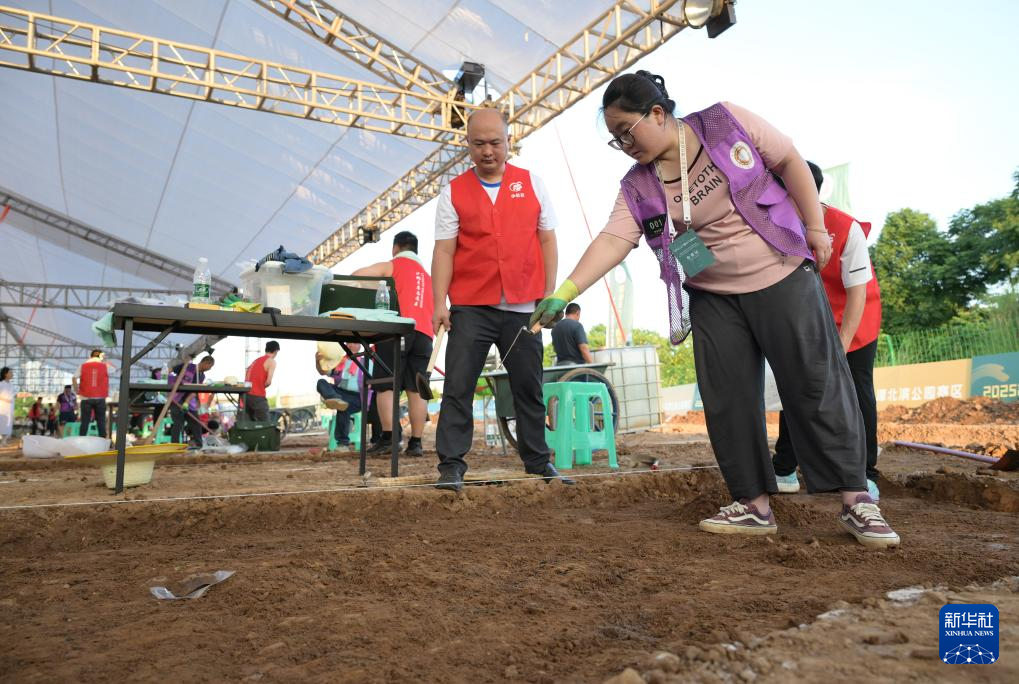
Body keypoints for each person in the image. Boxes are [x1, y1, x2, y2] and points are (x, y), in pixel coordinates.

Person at [532, 71, 898, 548]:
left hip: (781, 273)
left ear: (657, 114)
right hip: (712, 294)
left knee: (816, 382)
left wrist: (814, 226)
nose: (625, 146)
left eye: (627, 132)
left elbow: (789, 160)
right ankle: (753, 504)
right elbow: (614, 238)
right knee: (728, 399)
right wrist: (565, 290)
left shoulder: (725, 123)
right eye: (616, 140)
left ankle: (856, 499)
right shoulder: (638, 186)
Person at [431, 107, 572, 491]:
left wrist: (549, 293)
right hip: (471, 306)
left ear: (509, 141)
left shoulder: (532, 184)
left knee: (529, 386)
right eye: (479, 144)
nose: (487, 151)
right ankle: (451, 466)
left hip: (524, 307)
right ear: (467, 145)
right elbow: (444, 250)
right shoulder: (453, 192)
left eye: (495, 142)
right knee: (458, 385)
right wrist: (439, 303)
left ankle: (538, 461)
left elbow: (547, 239)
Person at [773, 161, 884, 500]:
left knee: (855, 390)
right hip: (810, 320)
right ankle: (784, 469)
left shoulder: (846, 228)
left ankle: (865, 473)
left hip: (855, 316)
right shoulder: (774, 226)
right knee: (797, 387)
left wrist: (841, 346)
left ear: (807, 193)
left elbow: (857, 293)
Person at [351, 231, 434, 457]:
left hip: (396, 330)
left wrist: (381, 289)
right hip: (424, 335)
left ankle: (389, 438)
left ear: (396, 248)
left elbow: (357, 276)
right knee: (417, 389)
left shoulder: (394, 265)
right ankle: (416, 443)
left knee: (385, 385)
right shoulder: (428, 277)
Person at [315, 345, 364, 450]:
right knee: (321, 382)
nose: (351, 345)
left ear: (359, 346)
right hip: (339, 393)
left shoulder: (366, 362)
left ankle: (343, 444)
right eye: (349, 342)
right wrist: (318, 361)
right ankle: (334, 398)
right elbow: (323, 372)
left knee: (343, 407)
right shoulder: (339, 361)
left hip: (358, 397)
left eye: (354, 342)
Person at [169, 356, 215, 447]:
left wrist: (186, 402)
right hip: (176, 398)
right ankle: (175, 445)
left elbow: (195, 391)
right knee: (178, 423)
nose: (210, 369)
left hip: (189, 402)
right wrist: (171, 381)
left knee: (196, 423)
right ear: (206, 363)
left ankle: (199, 445)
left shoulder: (201, 376)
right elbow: (170, 370)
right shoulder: (187, 366)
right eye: (210, 366)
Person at [75, 349, 110, 437]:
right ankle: (103, 441)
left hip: (86, 397)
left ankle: (81, 440)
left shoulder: (83, 365)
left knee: (85, 422)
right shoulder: (105, 366)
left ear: (90, 356)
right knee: (101, 422)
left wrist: (77, 390)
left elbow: (74, 378)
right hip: (100, 397)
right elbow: (118, 371)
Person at [244, 341, 279, 422]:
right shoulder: (271, 361)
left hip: (245, 396)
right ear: (276, 351)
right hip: (257, 396)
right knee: (265, 424)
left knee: (250, 424)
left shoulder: (256, 361)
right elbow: (268, 382)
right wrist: (260, 386)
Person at [0, 367, 14, 446]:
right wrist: (5, 399)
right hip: (2, 408)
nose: (12, 374)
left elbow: (13, 395)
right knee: (2, 424)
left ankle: (4, 441)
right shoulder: (1, 384)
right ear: (5, 374)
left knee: (8, 424)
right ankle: (2, 441)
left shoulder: (11, 385)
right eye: (10, 372)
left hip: (10, 408)